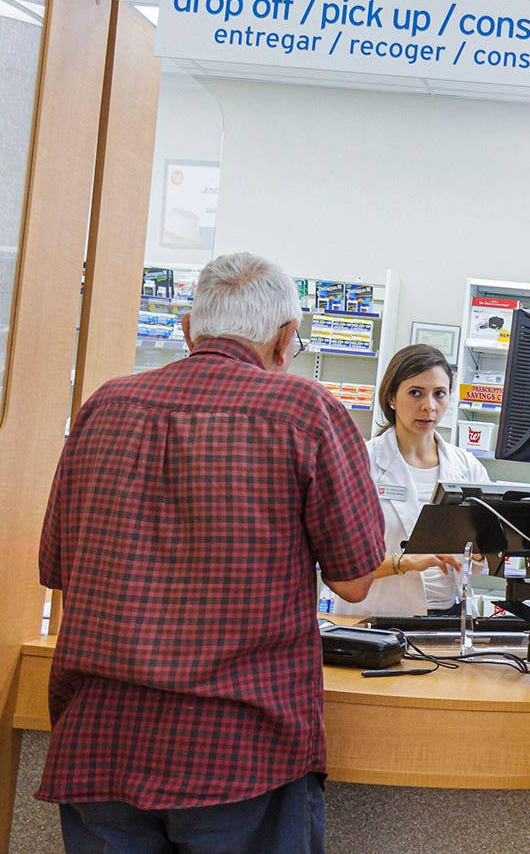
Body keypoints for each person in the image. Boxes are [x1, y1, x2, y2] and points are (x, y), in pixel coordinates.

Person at [36, 252, 384, 852]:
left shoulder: (103, 407)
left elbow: (58, 569)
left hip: (100, 740)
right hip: (240, 749)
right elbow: (355, 581)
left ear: (190, 330)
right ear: (284, 340)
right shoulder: (307, 412)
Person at [334, 344, 491, 617]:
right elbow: (339, 563)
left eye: (439, 394)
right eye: (416, 393)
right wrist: (404, 562)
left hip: (449, 619)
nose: (429, 406)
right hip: (376, 617)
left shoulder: (467, 469)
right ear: (392, 397)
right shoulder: (359, 462)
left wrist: (478, 554)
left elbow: (483, 560)